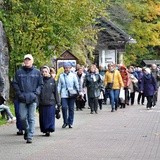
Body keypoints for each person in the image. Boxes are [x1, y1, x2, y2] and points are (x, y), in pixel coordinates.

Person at [12, 54, 43, 143]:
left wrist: (36, 93)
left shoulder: (37, 72)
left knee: (31, 118)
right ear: (24, 61)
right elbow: (15, 83)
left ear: (32, 61)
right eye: (25, 60)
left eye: (29, 60)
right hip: (22, 98)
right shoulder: (19, 72)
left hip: (33, 98)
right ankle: (27, 130)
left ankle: (30, 136)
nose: (27, 61)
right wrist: (19, 94)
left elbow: (40, 85)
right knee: (22, 117)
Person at [39, 66, 61, 136]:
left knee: (50, 116)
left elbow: (55, 92)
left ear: (49, 72)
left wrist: (58, 102)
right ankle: (45, 129)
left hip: (51, 102)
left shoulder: (52, 80)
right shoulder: (40, 81)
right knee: (43, 117)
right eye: (43, 72)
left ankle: (49, 129)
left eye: (46, 71)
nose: (44, 73)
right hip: (42, 102)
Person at [58, 62, 79, 129]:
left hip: (72, 93)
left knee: (71, 108)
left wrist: (78, 92)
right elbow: (59, 85)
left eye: (68, 68)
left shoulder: (73, 75)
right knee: (64, 107)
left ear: (70, 68)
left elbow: (76, 84)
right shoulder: (61, 76)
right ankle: (65, 122)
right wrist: (57, 93)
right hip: (64, 94)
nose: (66, 69)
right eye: (65, 68)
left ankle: (70, 122)